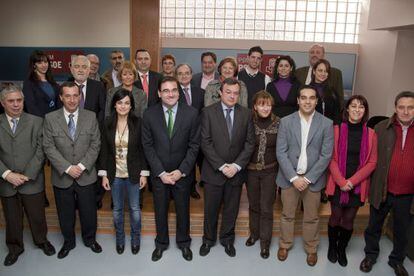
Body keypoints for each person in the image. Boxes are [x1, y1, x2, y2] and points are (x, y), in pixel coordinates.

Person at [142, 76, 200, 262]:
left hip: (182, 173)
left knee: (183, 209)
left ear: (179, 92)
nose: (170, 94)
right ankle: (161, 244)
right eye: (166, 90)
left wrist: (181, 171)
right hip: (160, 175)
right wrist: (160, 172)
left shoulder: (191, 113)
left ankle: (184, 243)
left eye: (174, 90)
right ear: (159, 93)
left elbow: (194, 146)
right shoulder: (149, 114)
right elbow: (148, 146)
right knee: (160, 210)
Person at [276, 85, 333, 266]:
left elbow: (326, 155)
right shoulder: (285, 121)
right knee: (287, 215)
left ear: (316, 101)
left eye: (311, 98)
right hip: (289, 178)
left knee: (311, 217)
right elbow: (281, 152)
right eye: (304, 97)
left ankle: (311, 248)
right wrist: (294, 178)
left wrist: (307, 179)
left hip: (313, 181)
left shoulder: (326, 123)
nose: (307, 101)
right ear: (298, 100)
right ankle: (285, 244)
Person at [43, 82, 102, 259]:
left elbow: (96, 144)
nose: (72, 99)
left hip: (86, 175)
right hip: (62, 176)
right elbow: (48, 146)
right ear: (60, 97)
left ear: (80, 97)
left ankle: (90, 240)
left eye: (75, 95)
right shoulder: (50, 118)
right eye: (67, 96)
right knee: (65, 213)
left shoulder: (91, 116)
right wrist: (68, 168)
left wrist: (82, 166)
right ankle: (68, 242)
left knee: (89, 212)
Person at [360, 91, 414, 276]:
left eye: (410, 107)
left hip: (407, 194)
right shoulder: (381, 128)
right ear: (395, 108)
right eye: (401, 107)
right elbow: (369, 159)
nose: (405, 111)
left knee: (402, 231)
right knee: (374, 226)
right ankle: (370, 256)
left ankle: (397, 261)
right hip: (382, 189)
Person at [0, 85, 55, 266]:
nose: (16, 105)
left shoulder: (37, 121)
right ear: (2, 103)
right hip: (7, 181)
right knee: (12, 217)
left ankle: (42, 241)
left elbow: (41, 150)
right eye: (11, 101)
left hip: (31, 179)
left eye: (19, 100)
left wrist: (27, 174)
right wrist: (8, 174)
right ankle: (15, 248)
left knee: (37, 215)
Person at [199, 78, 255, 258]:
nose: (232, 96)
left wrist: (237, 166)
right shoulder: (207, 112)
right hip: (214, 171)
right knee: (211, 210)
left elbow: (249, 143)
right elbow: (205, 142)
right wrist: (222, 166)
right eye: (228, 92)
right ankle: (208, 240)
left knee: (231, 210)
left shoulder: (246, 114)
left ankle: (227, 240)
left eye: (236, 93)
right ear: (220, 93)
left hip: (236, 174)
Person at [326, 95, 378, 267]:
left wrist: (352, 181)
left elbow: (372, 162)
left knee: (348, 219)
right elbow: (331, 158)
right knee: (336, 216)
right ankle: (332, 247)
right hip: (338, 181)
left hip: (357, 185)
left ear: (365, 111)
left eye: (361, 107)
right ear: (347, 109)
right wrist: (341, 181)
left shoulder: (371, 134)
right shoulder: (336, 130)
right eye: (353, 106)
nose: (357, 109)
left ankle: (342, 249)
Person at [99, 89, 148, 255]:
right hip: (114, 174)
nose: (123, 106)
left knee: (135, 209)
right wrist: (104, 174)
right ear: (114, 104)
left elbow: (143, 150)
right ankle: (120, 240)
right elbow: (104, 150)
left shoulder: (139, 122)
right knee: (117, 210)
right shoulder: (106, 122)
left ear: (131, 105)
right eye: (120, 102)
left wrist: (144, 174)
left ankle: (135, 239)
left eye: (127, 103)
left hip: (133, 173)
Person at [245, 91, 280, 259]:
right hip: (251, 170)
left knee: (266, 207)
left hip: (270, 171)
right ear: (255, 106)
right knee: (253, 205)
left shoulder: (279, 123)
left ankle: (265, 242)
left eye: (268, 104)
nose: (265, 108)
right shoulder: (248, 122)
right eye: (261, 104)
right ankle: (254, 234)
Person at [176, 63, 205, 199]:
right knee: (180, 161)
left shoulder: (200, 92)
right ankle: (179, 187)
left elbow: (202, 114)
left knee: (192, 161)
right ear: (176, 76)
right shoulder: (173, 92)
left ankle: (192, 187)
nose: (184, 76)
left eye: (186, 73)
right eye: (180, 73)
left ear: (191, 75)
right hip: (179, 134)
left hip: (196, 134)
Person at [23, 50, 61, 117]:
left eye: (45, 62)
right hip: (38, 121)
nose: (44, 65)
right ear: (34, 65)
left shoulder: (52, 82)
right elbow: (30, 106)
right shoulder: (29, 83)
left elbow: (58, 103)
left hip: (54, 121)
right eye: (40, 62)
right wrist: (43, 120)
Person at [70, 55, 106, 125]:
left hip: (92, 130)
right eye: (77, 66)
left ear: (89, 70)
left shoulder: (99, 87)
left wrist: (94, 128)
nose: (80, 70)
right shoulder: (65, 87)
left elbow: (102, 111)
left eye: (84, 67)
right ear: (71, 69)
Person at [310, 59, 341, 125]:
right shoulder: (306, 90)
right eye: (320, 70)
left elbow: (337, 114)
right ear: (314, 71)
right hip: (310, 128)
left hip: (328, 129)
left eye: (326, 71)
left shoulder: (333, 92)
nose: (323, 74)